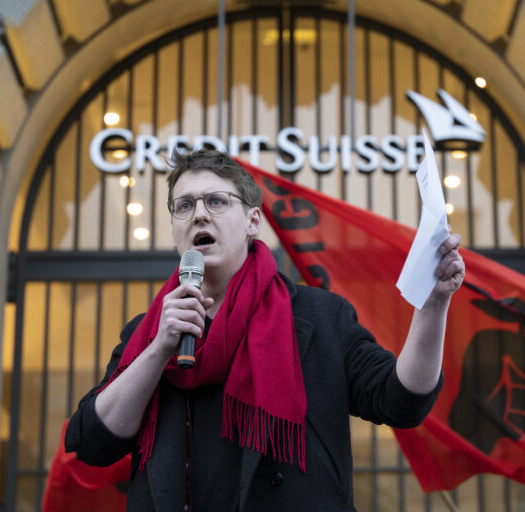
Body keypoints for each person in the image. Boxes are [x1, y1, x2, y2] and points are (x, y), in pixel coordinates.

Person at [65, 149, 465, 511]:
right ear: (174, 230)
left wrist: (433, 305)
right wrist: (157, 351)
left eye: (216, 201)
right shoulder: (149, 332)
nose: (199, 214)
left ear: (253, 221)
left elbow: (400, 400)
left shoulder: (320, 317)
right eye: (184, 206)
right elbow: (93, 443)